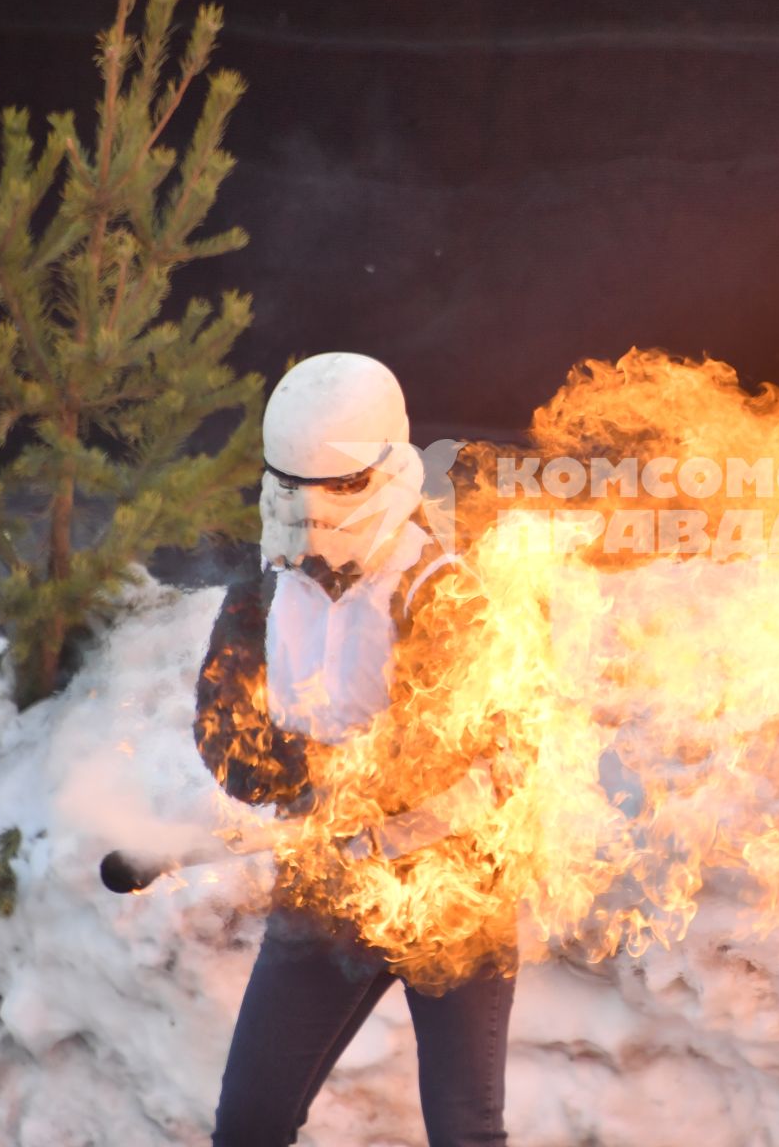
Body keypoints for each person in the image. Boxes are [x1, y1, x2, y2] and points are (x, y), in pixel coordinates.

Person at [193, 351, 515, 1147]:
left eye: (335, 492)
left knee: (464, 1131)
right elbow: (224, 725)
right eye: (294, 492)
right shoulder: (263, 591)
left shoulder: (440, 589)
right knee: (249, 1126)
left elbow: (470, 747)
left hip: (452, 891)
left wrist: (363, 792)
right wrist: (280, 770)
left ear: (383, 475)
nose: (314, 517)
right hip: (323, 886)